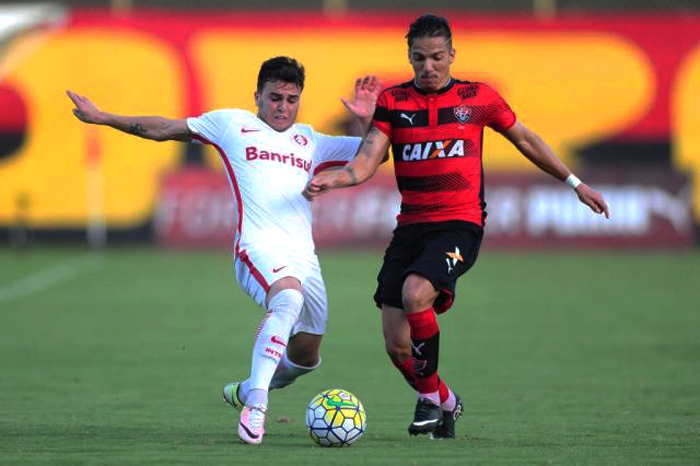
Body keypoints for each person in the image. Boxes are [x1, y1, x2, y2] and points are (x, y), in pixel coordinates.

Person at [304, 14, 610, 439]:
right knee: (396, 345)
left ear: (451, 54)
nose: (427, 67)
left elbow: (524, 139)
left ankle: (427, 401)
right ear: (409, 58)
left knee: (416, 293)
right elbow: (365, 163)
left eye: (435, 57)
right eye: (418, 59)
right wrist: (331, 180)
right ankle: (447, 401)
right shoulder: (393, 102)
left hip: (459, 224)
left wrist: (574, 183)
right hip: (410, 228)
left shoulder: (478, 97)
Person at [67, 56, 381, 445]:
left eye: (291, 99)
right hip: (257, 247)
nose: (283, 107)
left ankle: (246, 388)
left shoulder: (310, 140)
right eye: (275, 97)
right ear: (257, 96)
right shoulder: (232, 124)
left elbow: (375, 155)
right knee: (287, 300)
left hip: (305, 258)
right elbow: (164, 128)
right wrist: (104, 118)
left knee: (305, 357)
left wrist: (370, 119)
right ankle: (257, 406)